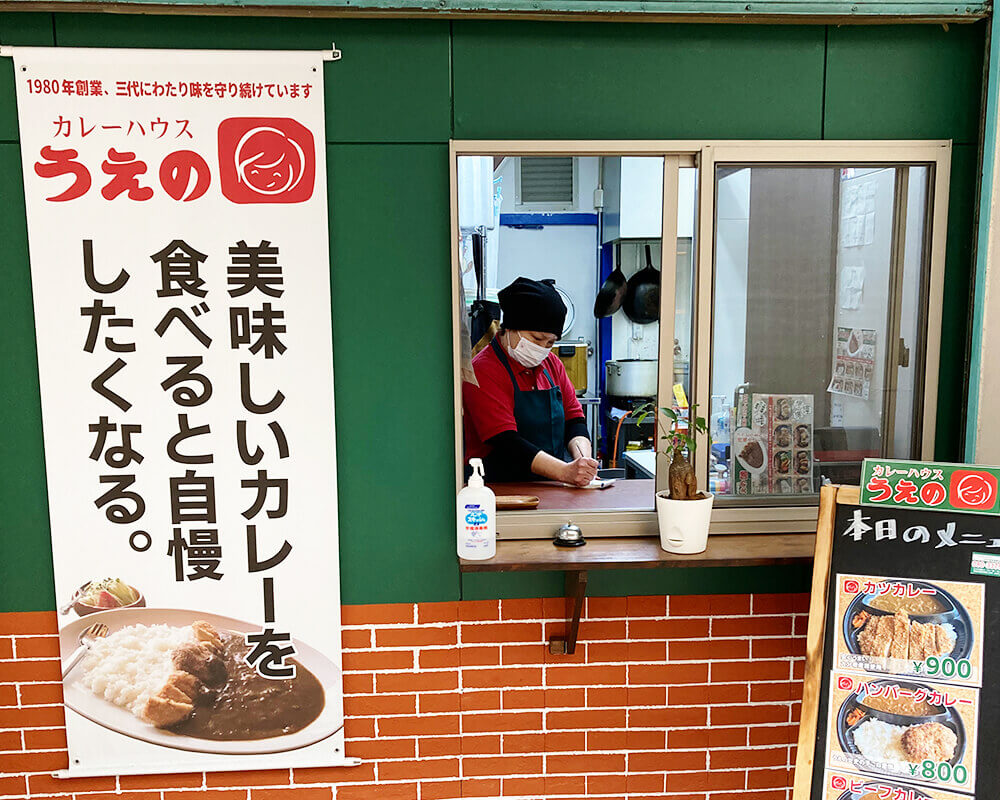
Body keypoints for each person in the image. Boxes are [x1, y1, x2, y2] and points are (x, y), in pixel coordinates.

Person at [463, 277, 599, 487]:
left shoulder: (552, 364)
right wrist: (564, 471)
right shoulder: (482, 370)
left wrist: (582, 461)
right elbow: (505, 442)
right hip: (499, 490)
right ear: (510, 328)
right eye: (536, 339)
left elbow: (574, 420)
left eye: (551, 342)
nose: (543, 348)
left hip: (552, 487)